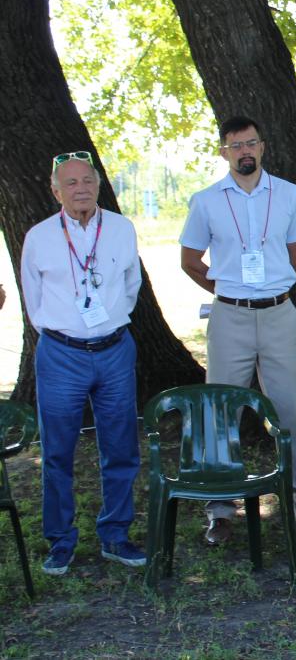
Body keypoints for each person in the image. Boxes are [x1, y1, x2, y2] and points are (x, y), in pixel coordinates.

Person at [179, 116, 296, 543]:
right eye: (235, 145)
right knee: (218, 412)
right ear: (223, 152)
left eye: (251, 143)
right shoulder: (206, 201)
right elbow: (190, 260)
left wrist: (267, 287)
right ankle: (220, 509)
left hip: (279, 313)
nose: (244, 151)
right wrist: (230, 288)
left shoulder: (289, 195)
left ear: (262, 147)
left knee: (289, 412)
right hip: (229, 317)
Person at [19, 151, 146, 574]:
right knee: (57, 451)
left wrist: (106, 323)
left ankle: (115, 535)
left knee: (121, 447)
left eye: (87, 181)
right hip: (61, 355)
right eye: (70, 183)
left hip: (113, 350)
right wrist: (63, 331)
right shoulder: (39, 236)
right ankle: (60, 540)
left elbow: (131, 285)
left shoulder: (122, 229)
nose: (81, 189)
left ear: (98, 185)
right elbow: (32, 296)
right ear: (56, 191)